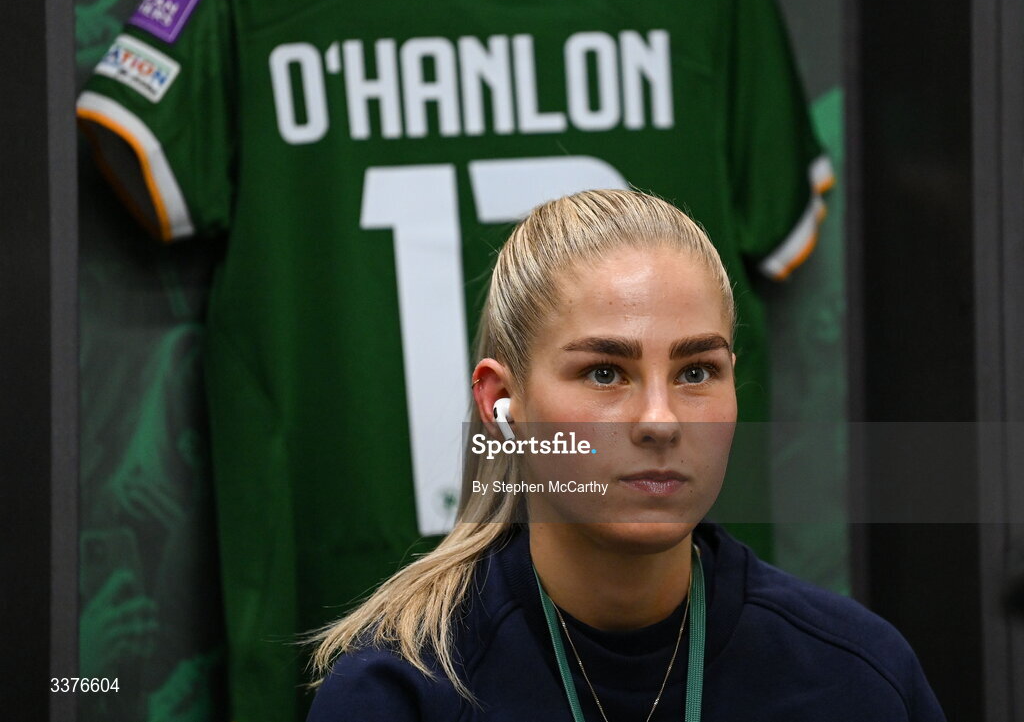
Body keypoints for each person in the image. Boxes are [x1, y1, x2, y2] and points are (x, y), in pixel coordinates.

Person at [305, 189, 945, 721]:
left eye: (697, 372)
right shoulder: (398, 694)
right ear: (503, 403)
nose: (660, 421)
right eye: (606, 373)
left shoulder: (856, 677)